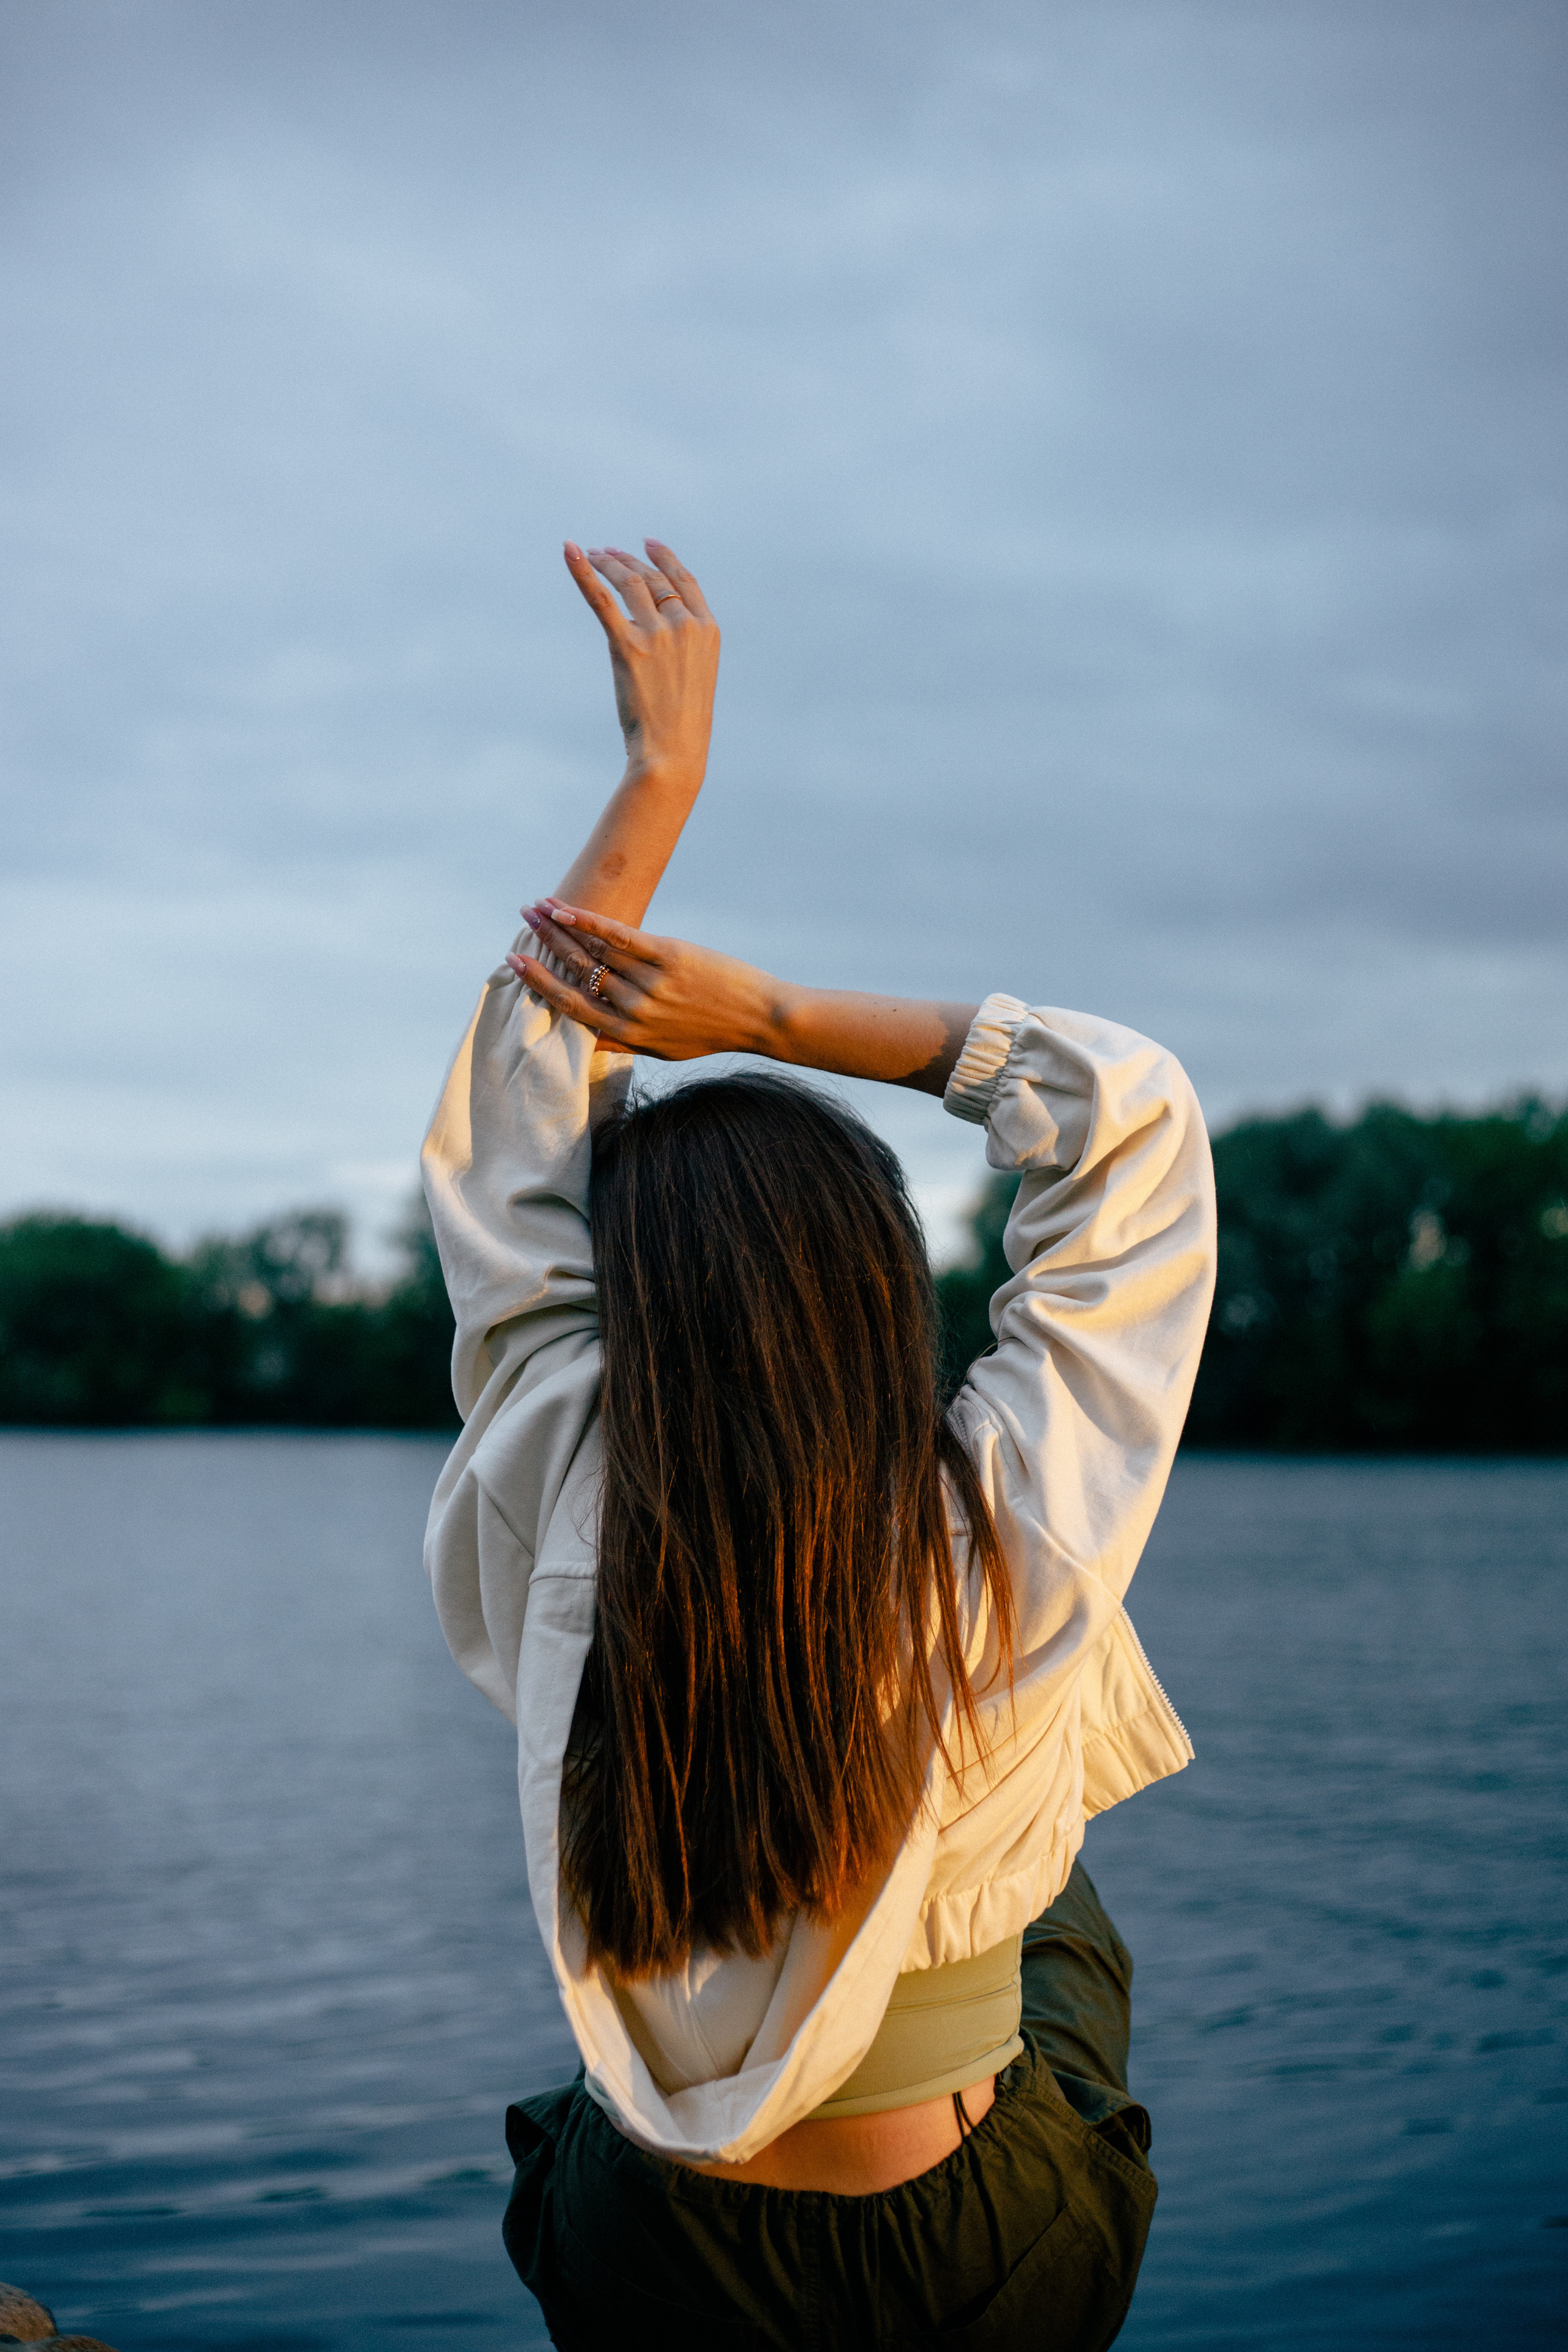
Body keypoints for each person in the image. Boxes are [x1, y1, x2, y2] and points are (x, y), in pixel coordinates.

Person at [421, 537, 1216, 2349]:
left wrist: (655, 783)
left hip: (655, 2259)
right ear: (874, 1300)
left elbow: (508, 1143)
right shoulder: (999, 1528)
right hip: (974, 2259)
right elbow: (1135, 1121)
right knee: (1052, 1843)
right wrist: (771, 1017)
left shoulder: (557, 1481)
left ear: (623, 1310)